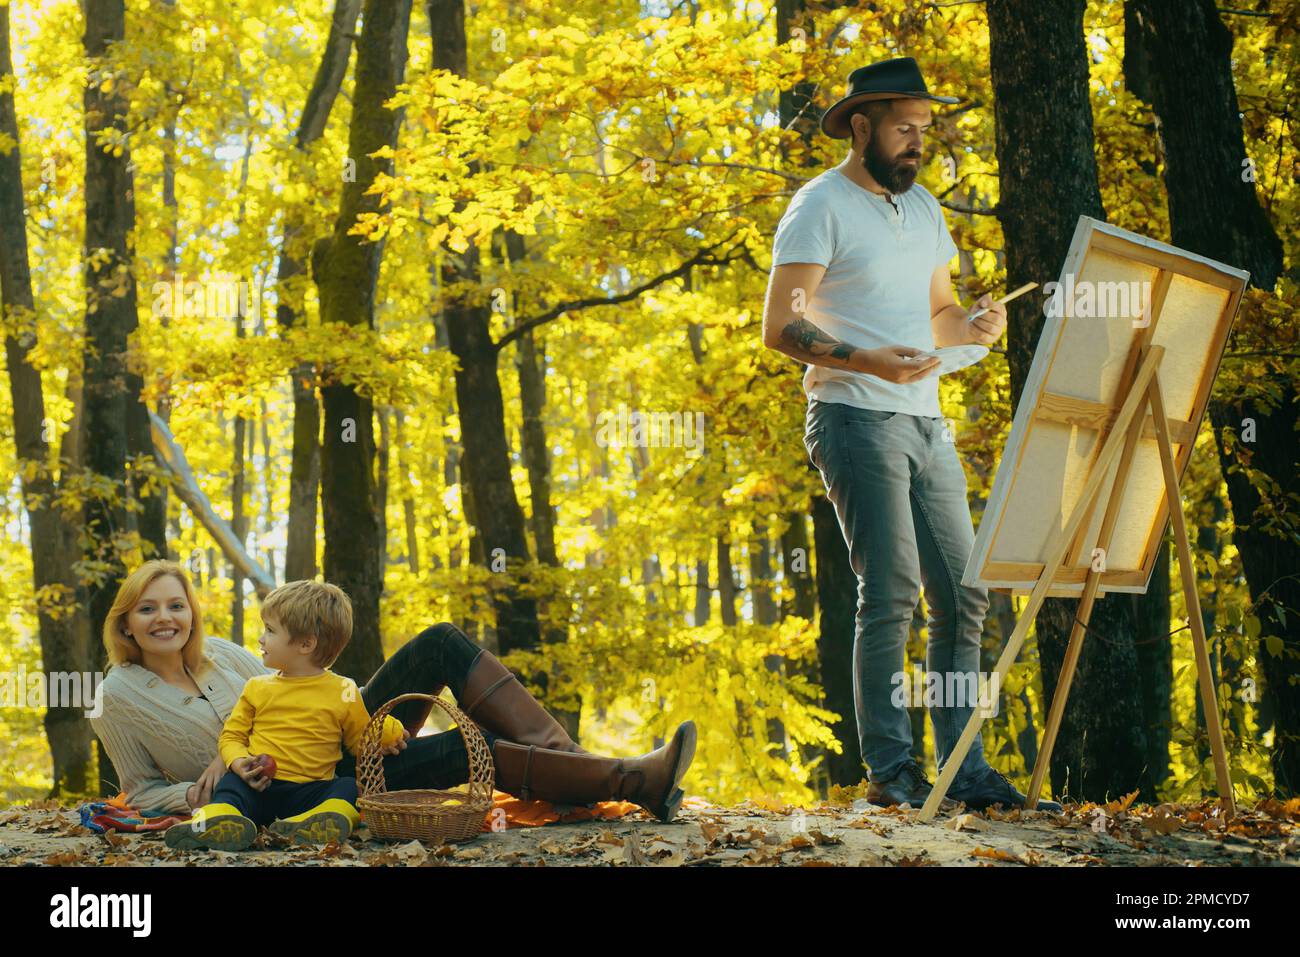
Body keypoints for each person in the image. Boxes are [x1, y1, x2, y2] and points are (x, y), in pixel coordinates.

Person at [760, 56, 1061, 813]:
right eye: (903, 128)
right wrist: (864, 359)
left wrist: (978, 325)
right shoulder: (817, 206)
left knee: (964, 594)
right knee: (890, 592)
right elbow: (780, 326)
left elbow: (941, 315)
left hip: (928, 421)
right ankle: (892, 771)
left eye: (923, 129)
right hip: (854, 414)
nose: (916, 142)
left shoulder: (923, 208)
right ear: (861, 126)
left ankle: (962, 763)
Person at [90, 561, 696, 838]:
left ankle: (585, 763)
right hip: (295, 788)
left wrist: (367, 717)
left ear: (191, 612)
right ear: (127, 621)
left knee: (437, 643)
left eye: (175, 604)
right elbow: (138, 791)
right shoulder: (117, 696)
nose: (165, 617)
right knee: (471, 748)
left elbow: (303, 685)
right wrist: (204, 782)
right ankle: (627, 780)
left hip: (342, 741)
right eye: (148, 608)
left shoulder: (224, 653)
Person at [165, 580, 408, 850]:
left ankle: (319, 821)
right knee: (230, 787)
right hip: (258, 787)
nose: (261, 638)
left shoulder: (343, 690)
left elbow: (360, 739)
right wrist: (239, 763)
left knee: (348, 787)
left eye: (270, 630)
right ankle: (216, 821)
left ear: (305, 644)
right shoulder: (257, 687)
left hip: (311, 792)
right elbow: (232, 736)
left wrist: (390, 731)